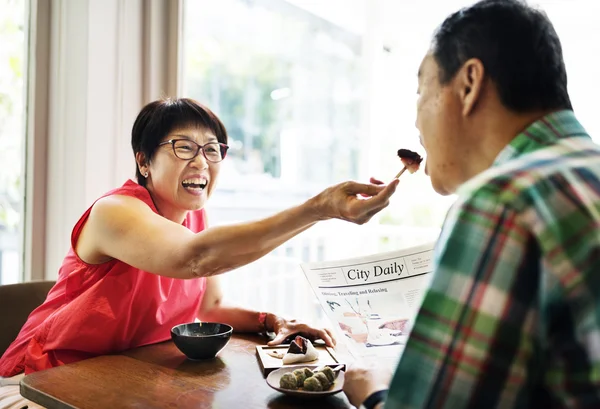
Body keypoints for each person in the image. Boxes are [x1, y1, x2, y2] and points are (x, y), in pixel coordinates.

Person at [0, 97, 399, 408]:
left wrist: (273, 321)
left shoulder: (195, 217)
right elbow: (195, 259)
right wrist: (319, 208)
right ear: (144, 161)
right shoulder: (114, 211)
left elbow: (211, 307)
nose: (202, 161)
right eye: (184, 146)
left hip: (121, 378)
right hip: (44, 382)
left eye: (212, 149)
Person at [343, 1, 600, 408]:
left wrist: (375, 394)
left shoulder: (504, 201)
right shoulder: (585, 173)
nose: (416, 124)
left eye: (421, 90)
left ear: (468, 84)